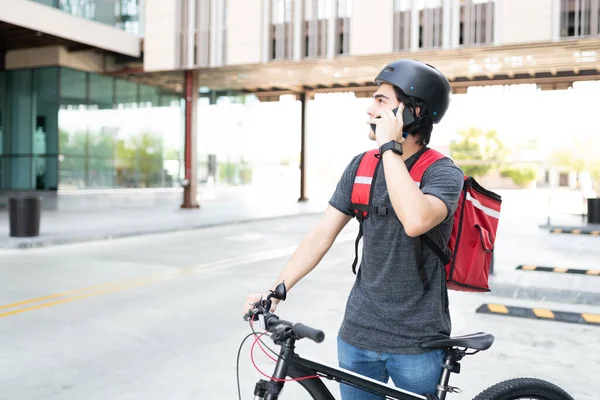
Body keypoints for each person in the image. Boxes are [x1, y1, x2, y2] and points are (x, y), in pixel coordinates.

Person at [243, 59, 465, 399]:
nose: (369, 109)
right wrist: (275, 291)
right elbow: (322, 234)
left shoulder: (443, 173)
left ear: (415, 111)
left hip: (418, 343)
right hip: (357, 337)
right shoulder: (361, 167)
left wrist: (389, 147)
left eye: (381, 101)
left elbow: (416, 220)